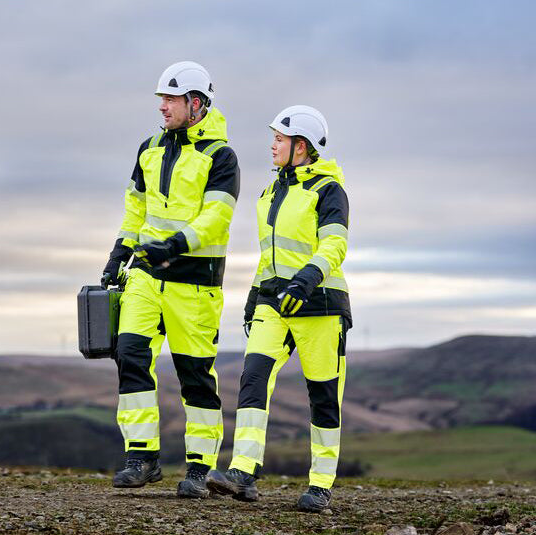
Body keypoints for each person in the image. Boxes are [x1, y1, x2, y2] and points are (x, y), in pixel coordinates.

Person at [100, 61, 240, 498]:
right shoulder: (149, 148)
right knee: (130, 354)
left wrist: (173, 246)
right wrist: (119, 253)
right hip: (144, 276)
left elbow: (216, 218)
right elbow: (135, 209)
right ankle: (142, 457)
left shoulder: (221, 156)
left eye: (171, 99)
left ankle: (199, 468)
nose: (162, 106)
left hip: (194, 284)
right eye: (161, 99)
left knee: (194, 376)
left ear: (196, 103)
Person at [205, 105, 350, 512]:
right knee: (253, 377)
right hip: (273, 304)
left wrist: (308, 277)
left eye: (279, 139)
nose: (272, 145)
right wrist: (254, 295)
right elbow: (269, 255)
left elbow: (335, 244)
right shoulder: (270, 192)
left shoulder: (329, 190)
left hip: (320, 305)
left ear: (300, 146)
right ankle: (243, 472)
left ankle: (320, 484)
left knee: (323, 395)